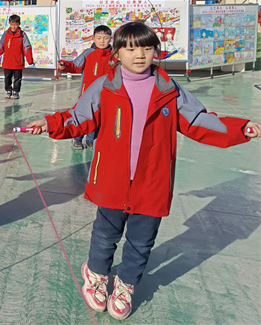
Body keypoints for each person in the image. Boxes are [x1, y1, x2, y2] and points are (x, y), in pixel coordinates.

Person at [23, 21, 260, 321]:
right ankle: (95, 275)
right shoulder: (105, 87)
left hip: (152, 181)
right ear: (117, 53)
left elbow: (200, 122)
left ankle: (125, 285)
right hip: (111, 179)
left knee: (141, 239)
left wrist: (241, 128)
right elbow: (78, 117)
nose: (140, 55)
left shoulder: (169, 90)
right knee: (105, 233)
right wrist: (49, 124)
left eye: (147, 48)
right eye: (131, 48)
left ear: (156, 52)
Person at [58, 24, 113, 149]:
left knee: (99, 117)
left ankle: (91, 139)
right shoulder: (88, 53)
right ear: (93, 39)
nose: (102, 41)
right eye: (99, 38)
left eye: (105, 38)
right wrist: (64, 65)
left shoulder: (114, 54)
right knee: (83, 116)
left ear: (110, 38)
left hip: (107, 92)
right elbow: (75, 66)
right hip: (87, 93)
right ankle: (77, 138)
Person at [0, 14, 34, 100]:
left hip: (18, 62)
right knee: (7, 78)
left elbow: (27, 47)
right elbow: (0, 47)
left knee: (17, 78)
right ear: (9, 24)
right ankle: (8, 90)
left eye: (15, 24)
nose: (13, 26)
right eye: (12, 24)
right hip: (7, 61)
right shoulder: (6, 34)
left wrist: (30, 60)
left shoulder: (22, 35)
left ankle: (16, 92)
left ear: (19, 24)